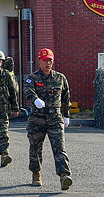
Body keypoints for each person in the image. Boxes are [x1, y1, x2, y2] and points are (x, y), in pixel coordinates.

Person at [23, 48, 73, 189]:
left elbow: (66, 97)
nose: (48, 63)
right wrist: (35, 99)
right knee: (35, 147)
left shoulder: (60, 78)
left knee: (59, 148)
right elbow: (28, 90)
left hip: (55, 119)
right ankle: (36, 173)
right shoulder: (32, 78)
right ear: (39, 61)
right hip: (37, 119)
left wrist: (66, 115)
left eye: (50, 60)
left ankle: (64, 176)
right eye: (45, 60)